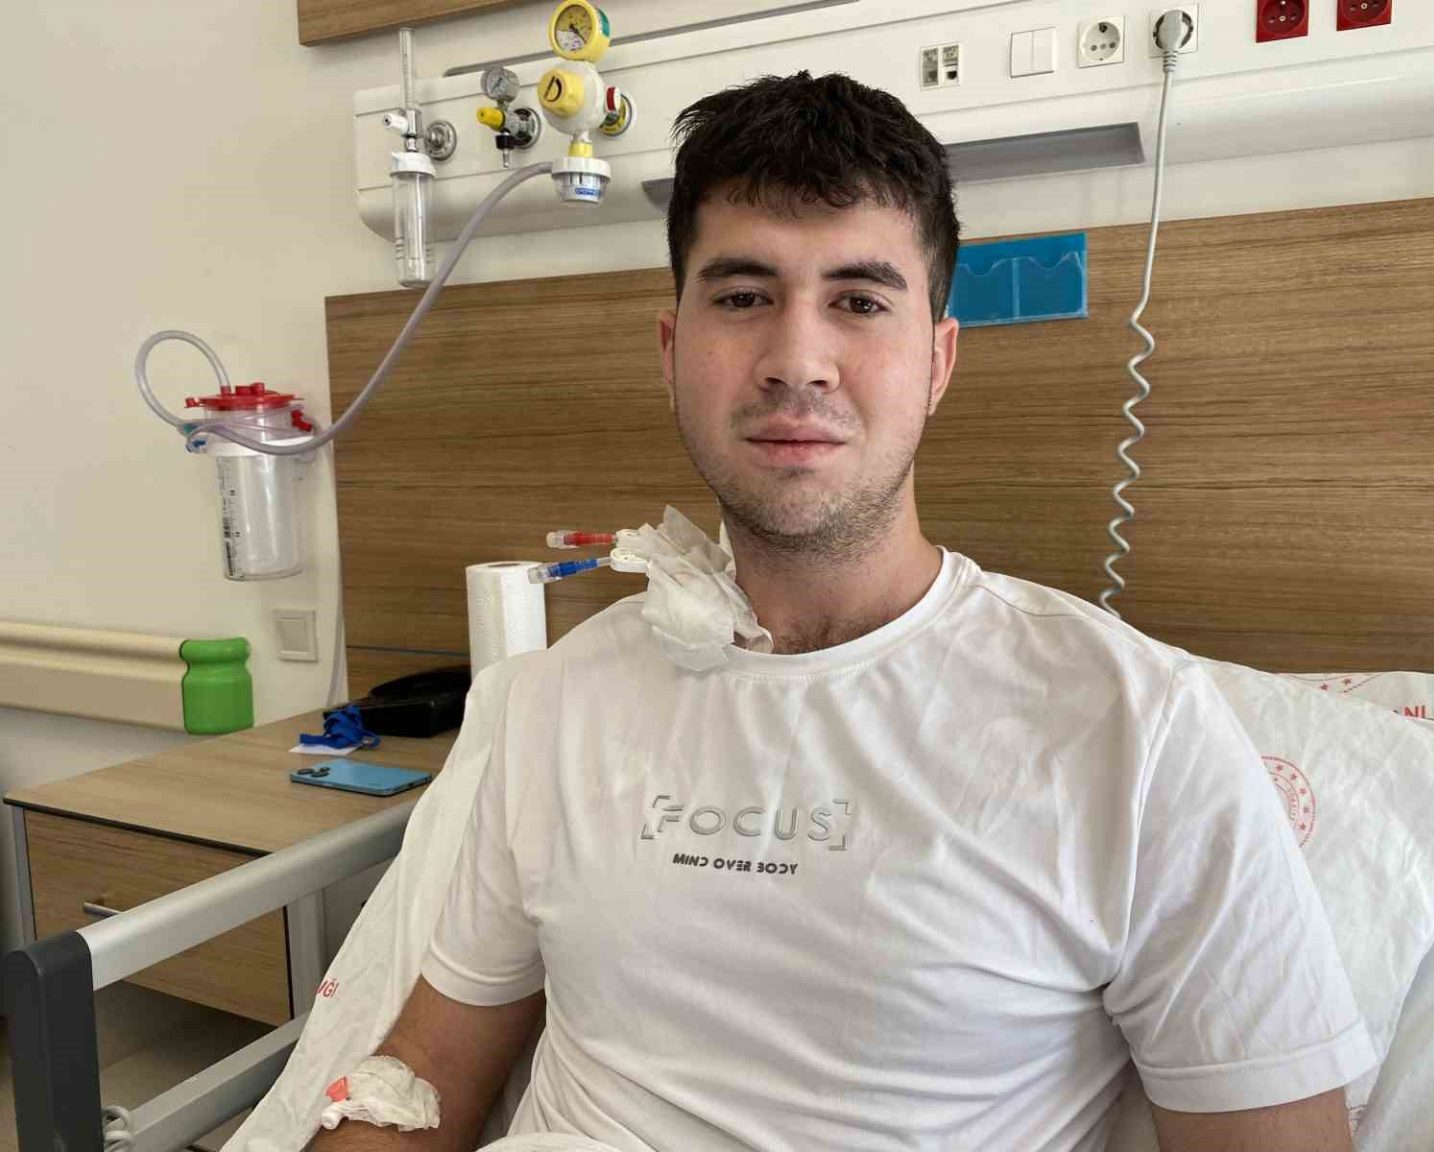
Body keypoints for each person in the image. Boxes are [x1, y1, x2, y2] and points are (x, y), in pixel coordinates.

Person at [312, 71, 1377, 1152]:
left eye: (861, 301)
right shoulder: (557, 700)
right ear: (672, 353)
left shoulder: (1133, 730)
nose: (796, 362)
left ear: (938, 361)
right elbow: (424, 1072)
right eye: (743, 297)